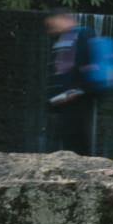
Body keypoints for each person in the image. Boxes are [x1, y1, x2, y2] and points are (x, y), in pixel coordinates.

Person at [45, 10, 98, 154]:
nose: (51, 29)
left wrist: (79, 90)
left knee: (77, 138)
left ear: (63, 18)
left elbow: (87, 63)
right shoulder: (63, 38)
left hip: (77, 97)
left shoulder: (82, 34)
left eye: (53, 24)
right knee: (68, 136)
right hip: (64, 98)